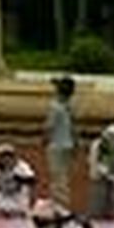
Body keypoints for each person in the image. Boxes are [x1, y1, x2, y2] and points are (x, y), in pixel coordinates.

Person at [43, 76, 76, 206]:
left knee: (57, 175)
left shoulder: (54, 106)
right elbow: (73, 127)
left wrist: (45, 139)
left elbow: (49, 126)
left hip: (56, 145)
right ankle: (61, 200)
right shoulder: (69, 106)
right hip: (68, 143)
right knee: (63, 174)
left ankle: (59, 202)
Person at [0, 143, 36, 217]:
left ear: (13, 157)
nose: (6, 159)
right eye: (3, 156)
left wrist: (17, 178)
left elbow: (32, 180)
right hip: (2, 202)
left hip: (19, 201)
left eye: (8, 156)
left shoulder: (21, 166)